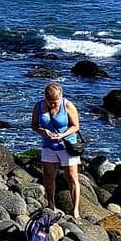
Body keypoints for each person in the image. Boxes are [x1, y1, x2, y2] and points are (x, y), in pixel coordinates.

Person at [31, 81, 81, 218]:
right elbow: (34, 125)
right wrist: (43, 131)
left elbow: (76, 126)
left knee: (71, 177)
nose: (53, 104)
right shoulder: (39, 106)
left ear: (61, 97)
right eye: (50, 101)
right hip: (48, 146)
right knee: (48, 176)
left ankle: (75, 209)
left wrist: (63, 135)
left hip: (67, 145)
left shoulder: (67, 105)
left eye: (55, 101)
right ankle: (51, 204)